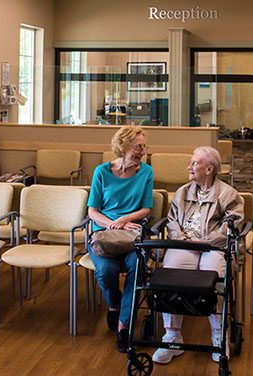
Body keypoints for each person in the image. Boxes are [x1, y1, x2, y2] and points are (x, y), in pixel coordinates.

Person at [152, 146, 244, 364]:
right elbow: (172, 221)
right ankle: (172, 336)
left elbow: (233, 225)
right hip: (184, 244)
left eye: (194, 163)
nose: (189, 166)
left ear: (209, 168)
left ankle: (218, 336)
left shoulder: (228, 194)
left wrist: (206, 242)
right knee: (171, 276)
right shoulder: (183, 192)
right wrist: (183, 241)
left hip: (213, 246)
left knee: (215, 279)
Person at [87, 125, 154, 352]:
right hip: (104, 234)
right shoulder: (102, 172)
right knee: (107, 272)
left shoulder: (146, 172)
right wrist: (112, 223)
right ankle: (115, 305)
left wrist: (125, 220)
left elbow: (146, 208)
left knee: (137, 269)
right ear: (123, 146)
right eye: (138, 147)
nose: (143, 151)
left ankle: (124, 325)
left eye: (144, 146)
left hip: (131, 235)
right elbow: (92, 211)